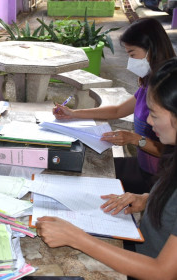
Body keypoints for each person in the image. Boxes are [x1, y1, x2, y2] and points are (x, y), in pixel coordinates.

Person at [37, 57, 177, 279]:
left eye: (155, 114)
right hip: (140, 247)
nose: (149, 122)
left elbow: (163, 272)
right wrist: (147, 199)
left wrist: (76, 238)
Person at [53, 18, 176, 194]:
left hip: (158, 179)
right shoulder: (149, 84)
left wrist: (135, 139)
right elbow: (118, 110)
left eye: (133, 55)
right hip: (141, 167)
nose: (129, 62)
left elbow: (169, 151)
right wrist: (72, 113)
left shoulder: (168, 92)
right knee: (85, 171)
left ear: (152, 50)